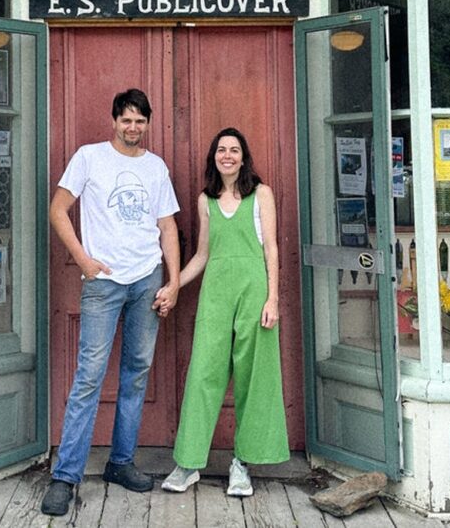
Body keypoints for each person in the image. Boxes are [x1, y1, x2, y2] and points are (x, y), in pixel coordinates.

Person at [41, 88, 181, 516]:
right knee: (89, 377)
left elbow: (168, 227)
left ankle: (121, 462)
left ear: (148, 124)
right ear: (114, 121)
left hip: (146, 279)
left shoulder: (156, 167)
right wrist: (83, 260)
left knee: (136, 373)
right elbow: (58, 210)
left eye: (140, 120)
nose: (133, 127)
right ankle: (66, 476)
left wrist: (173, 282)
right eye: (127, 119)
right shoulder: (89, 157)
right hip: (103, 283)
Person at [160, 127, 288, 498]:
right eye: (221, 150)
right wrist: (173, 285)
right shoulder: (206, 200)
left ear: (243, 157)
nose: (227, 155)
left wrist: (273, 300)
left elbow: (272, 250)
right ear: (214, 157)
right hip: (215, 294)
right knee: (203, 374)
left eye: (234, 150)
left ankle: (242, 464)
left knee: (254, 379)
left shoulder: (260, 194)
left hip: (254, 293)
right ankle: (188, 463)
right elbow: (202, 254)